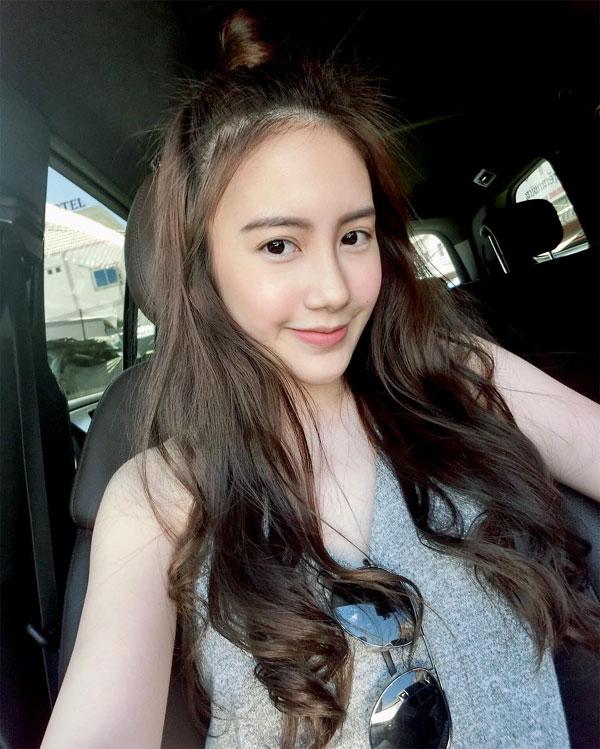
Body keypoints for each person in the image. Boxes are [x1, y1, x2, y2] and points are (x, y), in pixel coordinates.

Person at [41, 8, 600, 749]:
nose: (334, 289)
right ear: (204, 266)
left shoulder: (462, 375)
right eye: (280, 245)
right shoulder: (157, 497)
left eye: (353, 236)